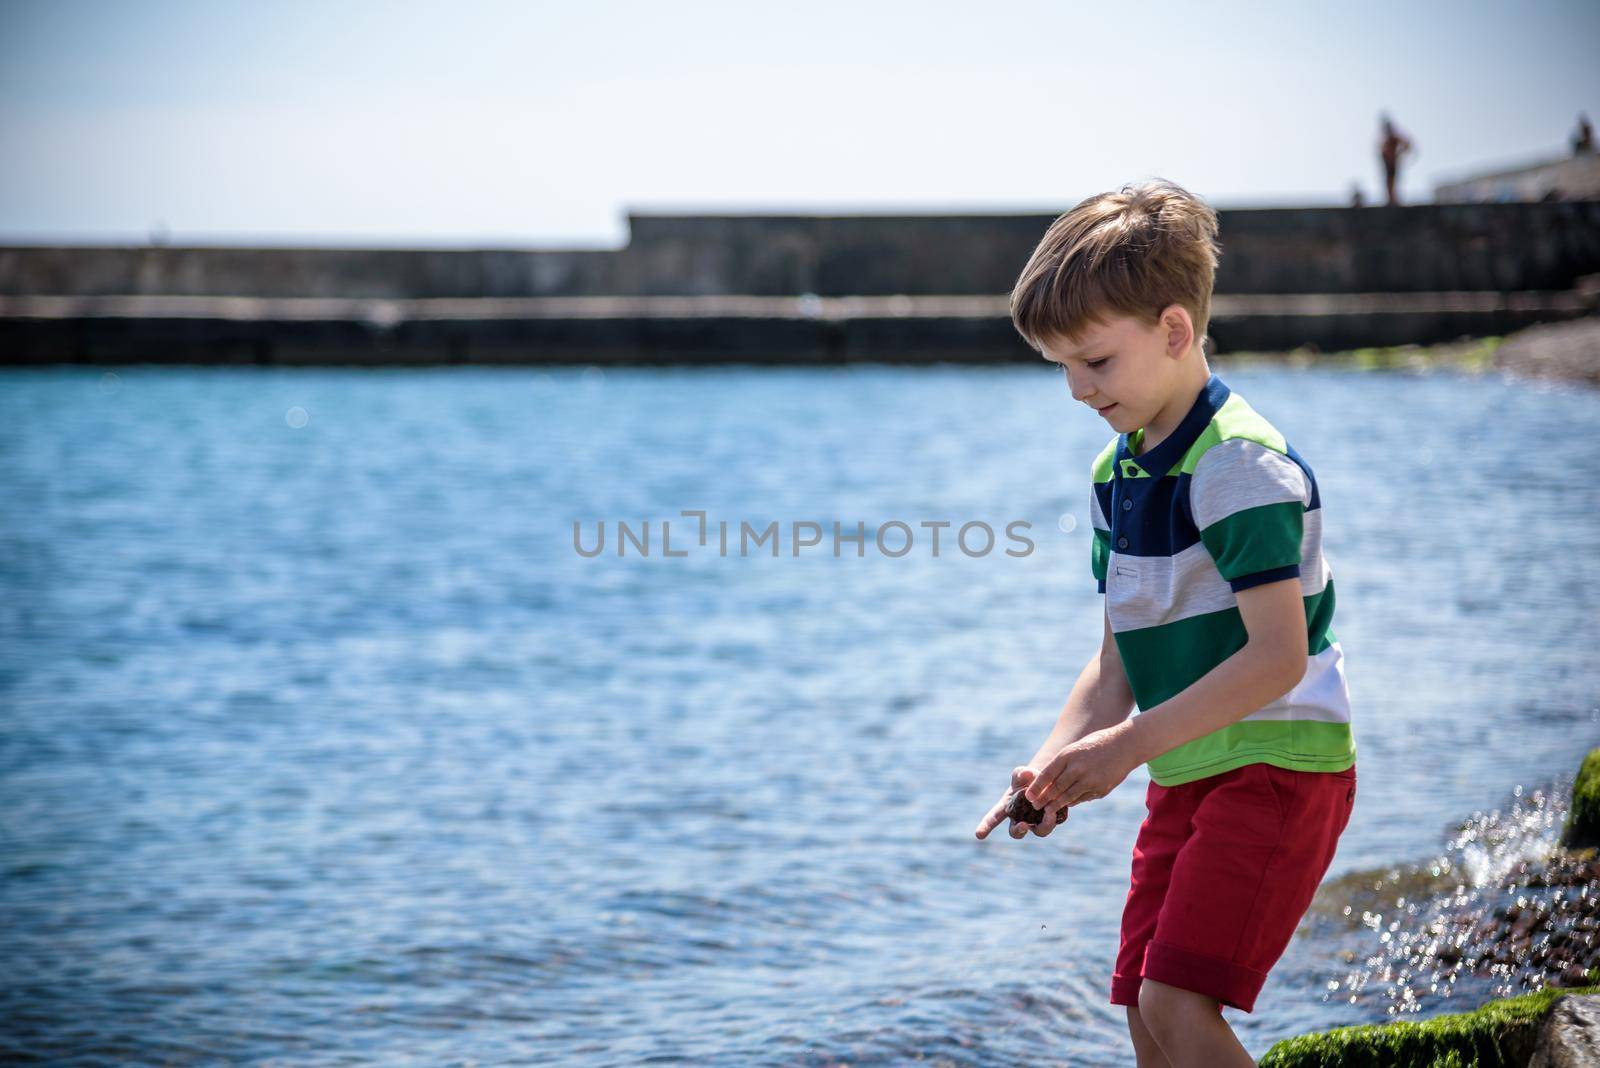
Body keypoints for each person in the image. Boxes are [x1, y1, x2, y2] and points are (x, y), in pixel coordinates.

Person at [974, 178, 1358, 1068]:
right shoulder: (1119, 472)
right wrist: (1056, 761)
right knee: (1143, 1012)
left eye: (1096, 362)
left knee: (1179, 1005)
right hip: (1186, 763)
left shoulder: (1237, 466)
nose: (1076, 388)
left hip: (1276, 763)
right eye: (1060, 367)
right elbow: (1115, 662)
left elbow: (1277, 660)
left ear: (1174, 331)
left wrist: (1126, 749)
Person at [1378, 113, 1413, 206]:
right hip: (1387, 164)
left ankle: (1393, 199)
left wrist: (1398, 154)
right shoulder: (1385, 140)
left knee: (1393, 181)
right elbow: (1382, 152)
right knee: (1388, 181)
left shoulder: (1394, 138)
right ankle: (1391, 199)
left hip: (1393, 163)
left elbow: (1407, 145)